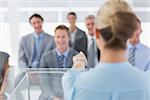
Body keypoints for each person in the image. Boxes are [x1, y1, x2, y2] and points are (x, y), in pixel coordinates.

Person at [62, 0, 150, 100]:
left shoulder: (74, 83)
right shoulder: (147, 84)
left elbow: (72, 77)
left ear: (96, 32)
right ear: (130, 33)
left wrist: (79, 63)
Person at [39, 25, 78, 100]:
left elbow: (79, 81)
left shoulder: (77, 57)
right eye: (58, 37)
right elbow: (43, 82)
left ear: (68, 38)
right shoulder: (46, 57)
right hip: (50, 97)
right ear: (54, 38)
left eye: (63, 37)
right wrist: (53, 97)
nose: (60, 40)